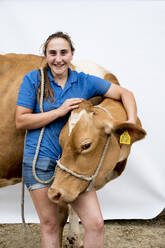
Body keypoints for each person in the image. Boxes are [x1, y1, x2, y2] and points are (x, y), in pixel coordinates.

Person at [16, 31, 137, 248]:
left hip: (74, 164)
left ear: (72, 55)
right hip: (40, 162)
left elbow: (125, 94)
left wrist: (130, 124)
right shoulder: (33, 80)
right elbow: (21, 121)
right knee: (51, 225)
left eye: (64, 52)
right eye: (52, 53)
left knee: (95, 223)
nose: (58, 58)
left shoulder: (83, 81)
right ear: (46, 55)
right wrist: (59, 111)